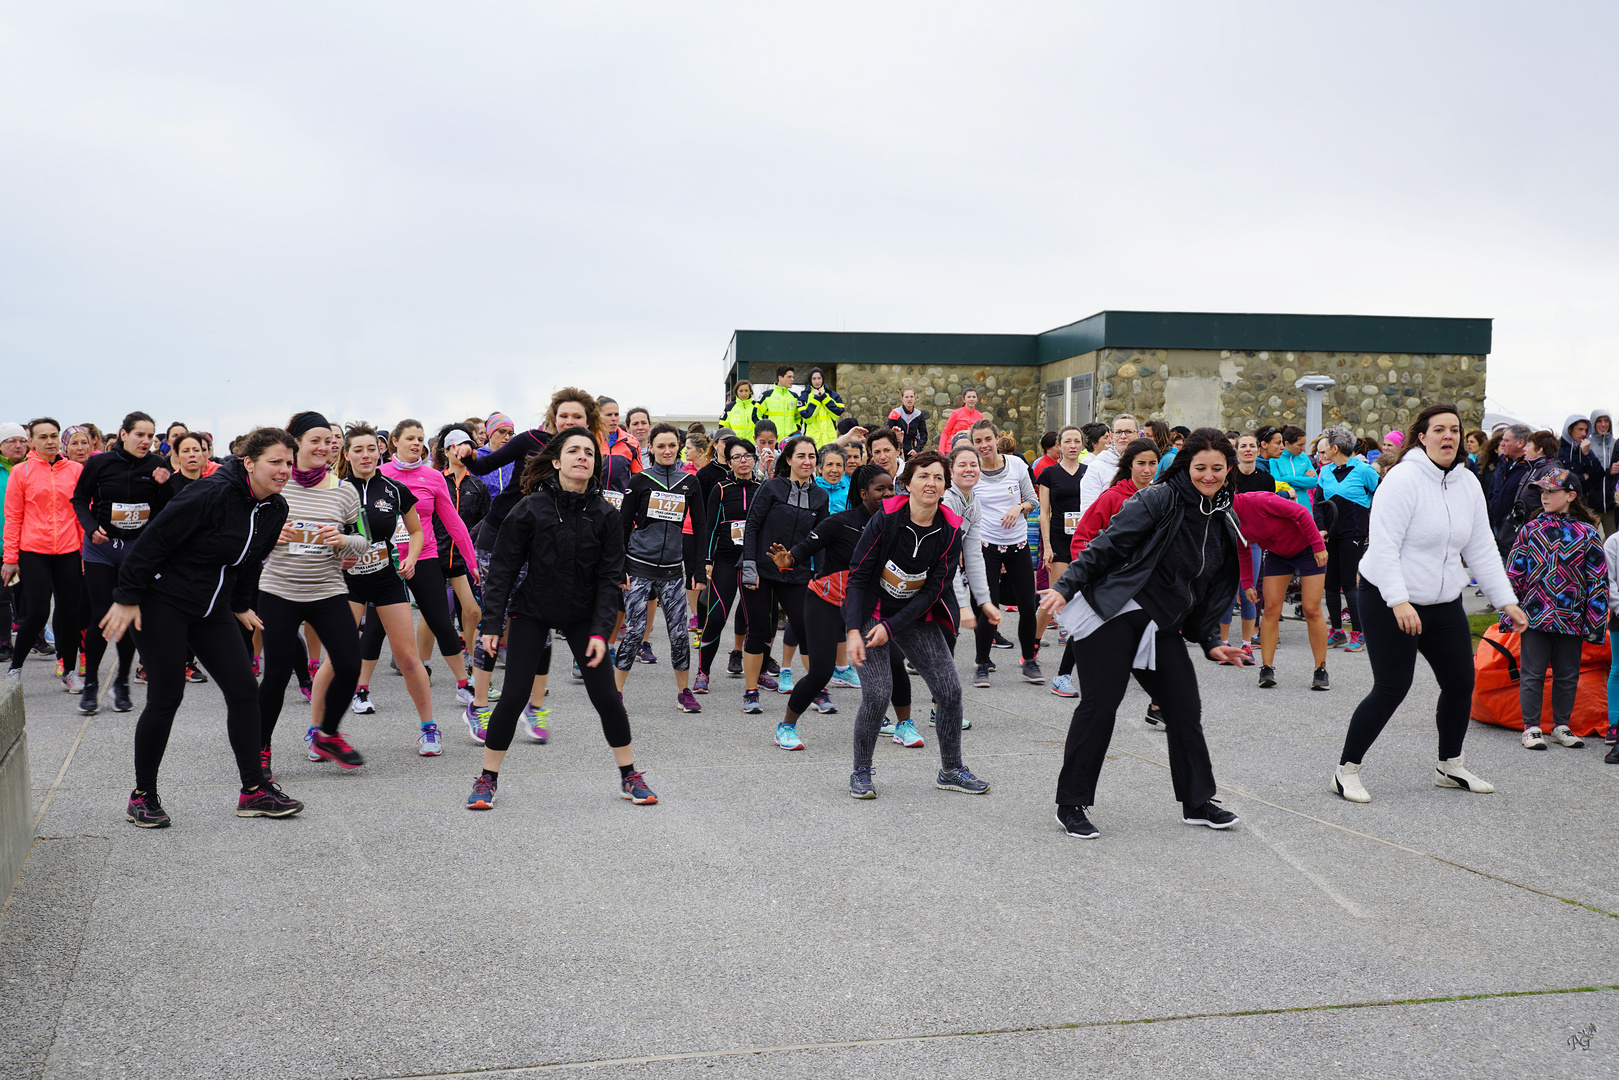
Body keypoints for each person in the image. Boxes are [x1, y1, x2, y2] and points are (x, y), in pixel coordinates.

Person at [1038, 428, 1247, 839]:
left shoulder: (1224, 515)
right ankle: (1071, 804)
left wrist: (1211, 641)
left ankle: (1197, 802)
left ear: (1228, 470)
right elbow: (1107, 546)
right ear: (1185, 466)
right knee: (1100, 706)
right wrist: (1064, 587)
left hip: (1162, 624)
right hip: (1116, 614)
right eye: (1200, 467)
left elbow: (1208, 587)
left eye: (1217, 468)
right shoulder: (1159, 498)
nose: (1208, 475)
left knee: (1184, 708)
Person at [104, 427, 305, 827]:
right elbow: (153, 541)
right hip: (162, 603)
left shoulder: (275, 508)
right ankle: (142, 796)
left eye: (288, 462)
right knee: (166, 696)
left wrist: (242, 604)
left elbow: (249, 561)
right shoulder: (210, 493)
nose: (284, 470)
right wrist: (127, 597)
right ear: (249, 463)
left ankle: (254, 790)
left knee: (244, 689)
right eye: (275, 462)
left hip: (211, 607)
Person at [1333, 404, 1528, 804]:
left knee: (1460, 682)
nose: (1448, 437)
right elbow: (1384, 546)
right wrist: (1399, 601)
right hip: (1390, 598)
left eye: (1454, 430)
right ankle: (1346, 770)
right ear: (1421, 436)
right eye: (1438, 429)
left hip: (1442, 601)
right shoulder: (1403, 479)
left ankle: (1449, 766)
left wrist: (1506, 600)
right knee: (1392, 687)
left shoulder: (1467, 482)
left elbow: (1481, 548)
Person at [467, 426, 658, 810]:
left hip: (582, 615)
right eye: (573, 451)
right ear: (556, 461)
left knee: (607, 697)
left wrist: (602, 632)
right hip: (532, 610)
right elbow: (502, 570)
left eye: (589, 452)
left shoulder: (605, 513)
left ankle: (629, 776)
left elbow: (609, 579)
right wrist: (491, 624)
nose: (582, 457)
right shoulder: (529, 508)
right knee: (515, 694)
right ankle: (487, 778)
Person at [845, 450, 987, 798]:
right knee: (878, 693)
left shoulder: (951, 529)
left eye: (938, 477)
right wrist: (853, 631)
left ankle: (951, 769)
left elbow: (935, 589)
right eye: (923, 475)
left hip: (913, 615)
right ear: (906, 483)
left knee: (950, 691)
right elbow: (859, 577)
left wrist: (893, 628)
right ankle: (861, 772)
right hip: (871, 612)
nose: (931, 482)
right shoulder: (886, 519)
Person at [255, 412, 374, 776]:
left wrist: (343, 541)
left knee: (350, 663)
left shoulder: (345, 490)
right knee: (275, 675)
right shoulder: (276, 486)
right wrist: (272, 537)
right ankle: (259, 748)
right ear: (296, 444)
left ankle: (327, 733)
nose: (324, 447)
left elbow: (364, 539)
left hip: (327, 591)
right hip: (279, 591)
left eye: (328, 441)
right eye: (315, 441)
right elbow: (248, 538)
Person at [764, 463, 893, 749]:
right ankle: (786, 726)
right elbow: (804, 548)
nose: (887, 494)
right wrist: (788, 560)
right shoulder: (841, 521)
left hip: (867, 605)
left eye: (891, 488)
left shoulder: (893, 525)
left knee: (889, 666)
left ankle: (898, 723)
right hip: (826, 601)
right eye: (879, 489)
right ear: (863, 493)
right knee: (821, 672)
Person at [333, 423, 443, 751]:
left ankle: (429, 728)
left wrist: (411, 557)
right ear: (347, 454)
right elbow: (324, 537)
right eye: (358, 449)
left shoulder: (393, 489)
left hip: (386, 580)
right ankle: (318, 731)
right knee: (335, 659)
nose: (365, 455)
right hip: (349, 582)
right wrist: (338, 557)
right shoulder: (336, 491)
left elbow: (417, 529)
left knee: (409, 658)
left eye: (371, 448)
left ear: (380, 450)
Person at [375, 418, 481, 710]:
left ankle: (464, 684)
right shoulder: (379, 474)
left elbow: (454, 523)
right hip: (385, 559)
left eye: (420, 439)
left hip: (424, 555)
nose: (416, 443)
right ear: (395, 441)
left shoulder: (433, 477)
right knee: (374, 627)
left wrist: (472, 562)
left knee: (440, 621)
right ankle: (360, 689)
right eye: (410, 438)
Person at [70, 411, 172, 714]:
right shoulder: (99, 463)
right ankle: (90, 685)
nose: (145, 441)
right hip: (101, 549)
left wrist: (164, 484)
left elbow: (166, 508)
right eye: (140, 434)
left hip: (136, 550)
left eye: (150, 436)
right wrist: (90, 527)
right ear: (124, 434)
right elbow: (78, 499)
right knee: (102, 614)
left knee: (129, 616)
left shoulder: (157, 465)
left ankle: (122, 683)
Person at [1060, 437, 1164, 723]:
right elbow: (1082, 539)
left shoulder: (1161, 496)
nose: (1146, 469)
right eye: (1141, 463)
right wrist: (1096, 576)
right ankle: (1072, 684)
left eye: (1152, 463)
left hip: (1147, 588)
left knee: (1151, 644)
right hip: (1112, 586)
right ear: (1129, 464)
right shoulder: (1112, 497)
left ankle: (1157, 704)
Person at [1503, 468, 1607, 751]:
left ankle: (1561, 725)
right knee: (1532, 672)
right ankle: (1531, 727)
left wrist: (1595, 623)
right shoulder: (1530, 529)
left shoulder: (1587, 534)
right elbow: (1515, 573)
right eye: (1543, 491)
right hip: (1535, 614)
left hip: (1572, 615)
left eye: (1552, 491)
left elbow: (1597, 580)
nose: (1545, 496)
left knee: (1567, 673)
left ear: (1571, 496)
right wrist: (1508, 611)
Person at [615, 423, 704, 712]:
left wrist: (697, 570)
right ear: (650, 447)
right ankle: (615, 693)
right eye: (661, 446)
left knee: (679, 633)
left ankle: (684, 691)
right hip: (638, 566)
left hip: (671, 570)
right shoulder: (639, 481)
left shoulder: (689, 482)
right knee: (635, 630)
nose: (667, 451)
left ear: (679, 447)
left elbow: (699, 529)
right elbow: (622, 526)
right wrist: (619, 567)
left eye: (672, 445)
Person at [738, 435, 827, 714]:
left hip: (797, 573)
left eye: (812, 457)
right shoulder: (771, 487)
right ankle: (751, 692)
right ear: (788, 459)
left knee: (806, 629)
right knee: (759, 631)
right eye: (801, 456)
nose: (807, 461)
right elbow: (751, 527)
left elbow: (819, 539)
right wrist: (750, 566)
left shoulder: (820, 496)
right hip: (761, 572)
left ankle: (818, 690)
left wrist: (820, 575)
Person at [2, 418, 86, 690]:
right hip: (33, 551)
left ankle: (69, 671)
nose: (49, 441)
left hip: (69, 550)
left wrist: (85, 552)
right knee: (37, 612)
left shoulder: (74, 469)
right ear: (32, 442)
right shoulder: (22, 472)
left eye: (54, 435)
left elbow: (82, 513)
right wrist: (10, 558)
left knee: (71, 612)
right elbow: (13, 516)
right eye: (42, 436)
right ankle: (15, 668)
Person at [967, 419, 1043, 687]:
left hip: (1018, 545)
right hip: (987, 548)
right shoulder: (972, 472)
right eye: (978, 441)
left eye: (988, 439)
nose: (984, 445)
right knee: (989, 607)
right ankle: (982, 663)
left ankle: (1029, 660)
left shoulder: (1017, 466)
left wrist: (1019, 508)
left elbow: (1033, 500)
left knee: (1027, 605)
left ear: (997, 438)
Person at [1238, 490, 1330, 690]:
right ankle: (1267, 668)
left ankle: (1320, 669)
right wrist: (1247, 583)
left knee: (1311, 608)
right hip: (1277, 555)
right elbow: (1243, 547)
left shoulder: (1258, 500)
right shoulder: (1228, 519)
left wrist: (1317, 545)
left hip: (1307, 547)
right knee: (1270, 609)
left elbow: (1301, 513)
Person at [697, 438, 758, 692]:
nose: (742, 460)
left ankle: (761, 671)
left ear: (754, 459)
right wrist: (707, 560)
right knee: (717, 616)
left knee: (756, 618)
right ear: (729, 461)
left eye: (747, 455)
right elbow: (710, 526)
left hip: (752, 561)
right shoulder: (720, 488)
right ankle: (703, 672)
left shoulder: (763, 488)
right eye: (736, 457)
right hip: (724, 558)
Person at [1316, 427, 1379, 654]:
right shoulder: (1325, 471)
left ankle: (1359, 632)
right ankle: (1336, 630)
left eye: (1325, 447)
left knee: (1349, 584)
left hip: (1353, 534)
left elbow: (1380, 494)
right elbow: (1318, 502)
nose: (1321, 451)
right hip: (1330, 535)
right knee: (1330, 584)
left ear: (1335, 448)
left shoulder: (1364, 470)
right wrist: (1321, 528)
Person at [1036, 426, 1086, 666]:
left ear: (1083, 444)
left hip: (1086, 539)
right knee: (1055, 596)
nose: (1073, 445)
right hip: (1059, 538)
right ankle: (1032, 643)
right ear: (1059, 445)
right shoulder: (1049, 474)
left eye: (1077, 441)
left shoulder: (1090, 472)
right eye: (1068, 441)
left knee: (1086, 596)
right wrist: (1046, 546)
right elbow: (1044, 512)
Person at [1497, 431, 1564, 559]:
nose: (1524, 449)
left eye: (1528, 445)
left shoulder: (1552, 471)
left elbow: (1557, 505)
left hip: (1538, 535)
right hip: (1523, 531)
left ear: (1539, 449)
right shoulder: (1532, 468)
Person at [1078, 414, 1138, 515]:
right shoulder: (1096, 467)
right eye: (1118, 432)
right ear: (1112, 436)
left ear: (1138, 435)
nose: (1123, 436)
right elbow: (1088, 510)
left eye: (1129, 432)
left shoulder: (1146, 465)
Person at [1486, 423, 1531, 533]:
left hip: (1515, 530)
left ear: (1520, 443)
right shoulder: (1502, 463)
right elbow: (1492, 491)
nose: (1502, 444)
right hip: (1495, 525)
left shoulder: (1529, 467)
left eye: (1506, 441)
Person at [596, 396, 645, 493]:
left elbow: (638, 479)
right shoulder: (588, 440)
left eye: (616, 414)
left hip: (620, 503)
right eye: (609, 415)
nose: (614, 418)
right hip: (592, 502)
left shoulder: (632, 442)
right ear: (597, 416)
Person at [799, 367, 846, 446]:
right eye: (814, 379)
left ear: (823, 379)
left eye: (819, 378)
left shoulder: (832, 394)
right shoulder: (804, 396)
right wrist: (816, 399)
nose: (817, 381)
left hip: (830, 439)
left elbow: (837, 414)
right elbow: (807, 418)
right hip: (813, 440)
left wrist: (824, 397)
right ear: (810, 380)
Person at [475, 413, 517, 501]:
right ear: (490, 432)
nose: (507, 437)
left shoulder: (515, 458)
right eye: (502, 431)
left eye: (510, 433)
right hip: (483, 511)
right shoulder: (477, 456)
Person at [756, 365, 803, 439]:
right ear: (780, 378)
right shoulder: (767, 395)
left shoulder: (794, 397)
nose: (792, 379)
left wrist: (796, 429)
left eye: (793, 377)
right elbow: (755, 414)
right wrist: (765, 431)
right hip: (774, 440)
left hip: (791, 440)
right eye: (789, 377)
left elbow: (799, 417)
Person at [936, 387, 983, 455]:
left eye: (974, 397)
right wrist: (941, 451)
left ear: (977, 399)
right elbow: (945, 432)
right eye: (969, 397)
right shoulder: (956, 413)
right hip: (952, 449)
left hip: (971, 450)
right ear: (964, 399)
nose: (971, 399)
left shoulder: (980, 416)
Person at [888, 388, 928, 457]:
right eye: (906, 397)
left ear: (915, 398)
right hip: (897, 450)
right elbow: (887, 432)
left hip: (912, 451)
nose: (909, 399)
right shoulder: (895, 413)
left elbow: (924, 435)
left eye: (911, 397)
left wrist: (916, 449)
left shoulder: (918, 414)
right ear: (902, 399)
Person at [719, 380, 758, 445]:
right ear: (736, 392)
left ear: (750, 391)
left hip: (754, 446)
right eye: (741, 391)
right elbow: (723, 428)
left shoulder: (757, 406)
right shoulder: (729, 408)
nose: (744, 394)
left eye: (746, 390)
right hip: (735, 446)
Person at [815, 444, 849, 512]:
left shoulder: (849, 493)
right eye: (829, 464)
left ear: (844, 470)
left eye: (839, 465)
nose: (834, 470)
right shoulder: (812, 490)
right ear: (819, 469)